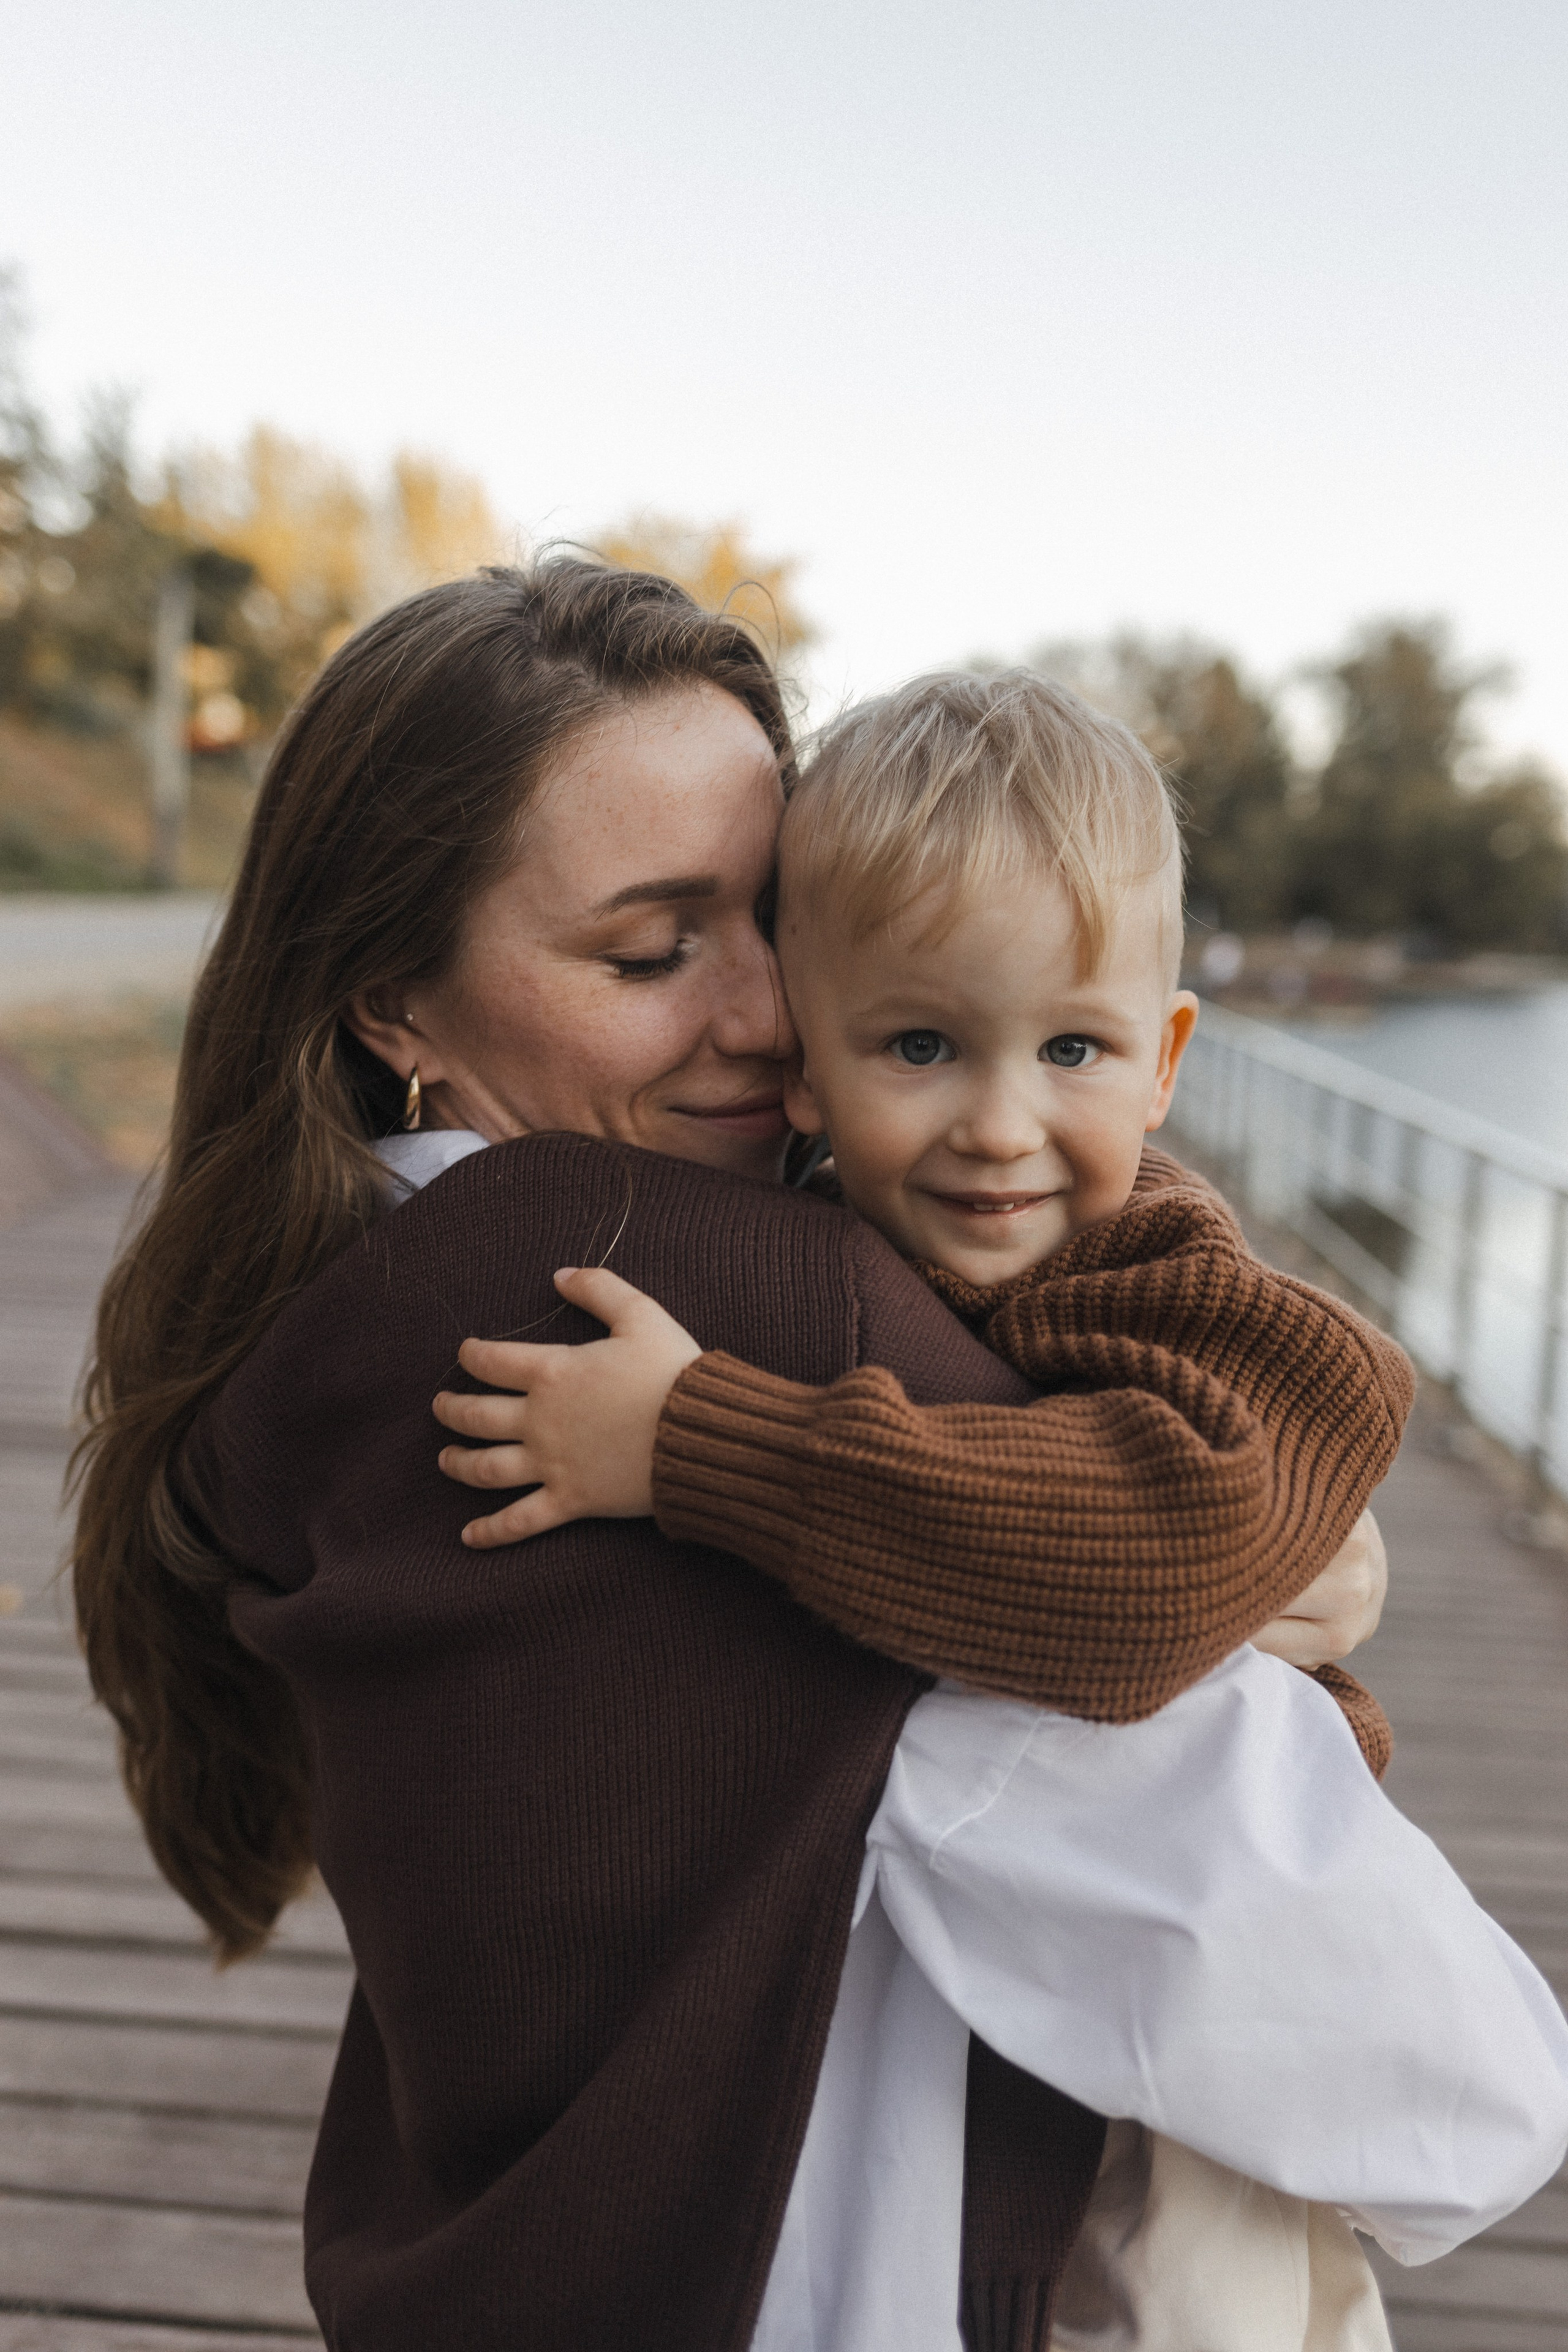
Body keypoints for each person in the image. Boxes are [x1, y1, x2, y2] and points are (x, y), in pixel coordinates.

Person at [70, 567, 1568, 2352]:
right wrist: (1244, 1583)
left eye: (777, 921)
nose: (778, 1022)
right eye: (651, 951)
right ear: (395, 1002)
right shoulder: (679, 1304)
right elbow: (1432, 2061)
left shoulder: (320, 1317)